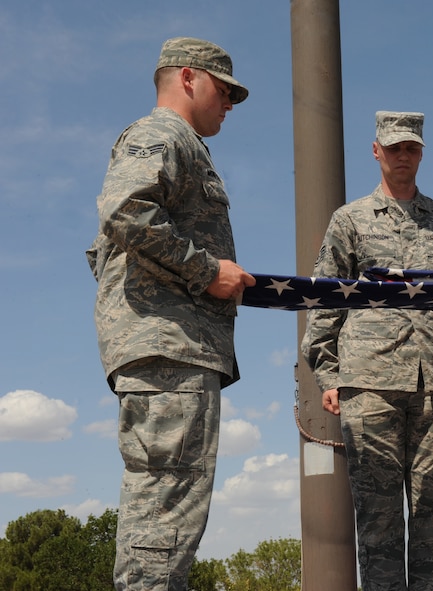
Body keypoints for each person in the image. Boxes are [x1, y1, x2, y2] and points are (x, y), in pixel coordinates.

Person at [86, 37, 255, 591]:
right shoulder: (160, 133)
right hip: (168, 347)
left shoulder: (182, 144)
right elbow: (125, 212)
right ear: (188, 78)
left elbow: (102, 252)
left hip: (171, 344)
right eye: (224, 90)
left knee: (169, 507)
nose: (229, 103)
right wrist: (208, 272)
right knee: (165, 509)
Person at [301, 111, 433, 591]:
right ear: (376, 151)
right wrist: (329, 374)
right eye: (395, 147)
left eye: (412, 148)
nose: (404, 155)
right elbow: (325, 298)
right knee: (378, 522)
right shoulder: (350, 220)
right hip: (369, 383)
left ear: (421, 153)